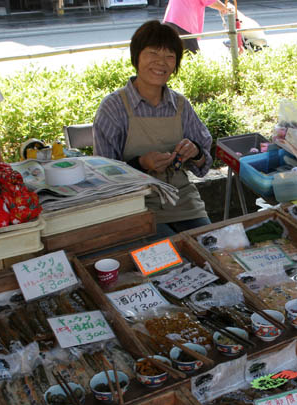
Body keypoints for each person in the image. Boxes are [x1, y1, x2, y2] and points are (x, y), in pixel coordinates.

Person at [93, 20, 212, 239]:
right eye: (153, 53)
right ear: (136, 57)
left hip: (183, 201)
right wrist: (140, 164)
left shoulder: (180, 104)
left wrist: (195, 151)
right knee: (169, 262)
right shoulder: (113, 107)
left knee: (213, 250)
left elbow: (204, 165)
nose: (161, 63)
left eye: (169, 56)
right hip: (136, 206)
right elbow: (103, 175)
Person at [163, 0, 233, 53]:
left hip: (170, 19)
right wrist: (224, 8)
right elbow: (210, 1)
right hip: (184, 22)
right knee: (192, 56)